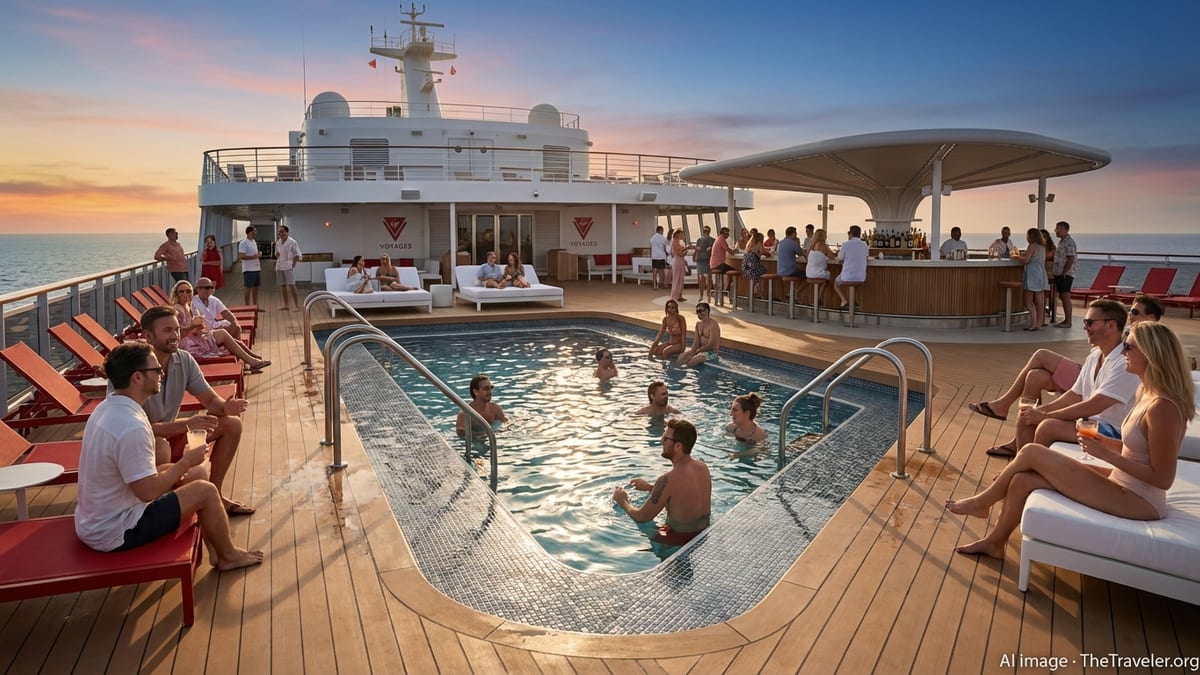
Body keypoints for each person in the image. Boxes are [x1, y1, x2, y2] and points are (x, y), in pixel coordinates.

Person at [946, 321, 1195, 560]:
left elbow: (1163, 478)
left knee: (1032, 452)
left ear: (1151, 354)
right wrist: (1105, 443)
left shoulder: (1163, 407)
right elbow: (1139, 450)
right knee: (1022, 480)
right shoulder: (1147, 393)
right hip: (1121, 483)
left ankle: (982, 502)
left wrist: (1107, 455)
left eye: (1129, 347)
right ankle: (995, 543)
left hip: (1140, 501)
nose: (1124, 352)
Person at [74, 342, 263, 570]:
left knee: (179, 474)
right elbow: (148, 492)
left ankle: (215, 547)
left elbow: (142, 481)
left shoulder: (108, 409)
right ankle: (228, 556)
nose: (162, 373)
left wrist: (180, 471)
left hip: (95, 521)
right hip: (118, 531)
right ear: (137, 378)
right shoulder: (131, 425)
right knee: (205, 490)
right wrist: (186, 462)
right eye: (156, 370)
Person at [972, 299, 1139, 458]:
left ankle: (1028, 470)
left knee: (1048, 427)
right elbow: (1075, 395)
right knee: (1028, 415)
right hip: (1090, 422)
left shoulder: (1124, 363)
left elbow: (1095, 405)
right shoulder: (1094, 357)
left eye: (1089, 322)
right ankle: (1021, 464)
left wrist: (1047, 416)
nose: (1085, 327)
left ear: (1111, 325)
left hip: (1113, 431)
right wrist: (1042, 411)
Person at [968, 295, 1164, 428]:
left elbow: (1098, 401)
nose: (1131, 315)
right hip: (1093, 370)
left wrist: (1046, 415)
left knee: (1042, 355)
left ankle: (1004, 406)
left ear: (1152, 317)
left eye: (1136, 312)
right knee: (1035, 377)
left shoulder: (1147, 343)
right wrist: (1040, 412)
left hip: (1104, 392)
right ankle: (1020, 445)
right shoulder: (1124, 337)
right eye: (1130, 311)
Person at [138, 306, 255, 515]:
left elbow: (210, 400)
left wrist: (225, 407)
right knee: (160, 447)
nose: (175, 336)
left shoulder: (183, 360)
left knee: (231, 424)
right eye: (167, 331)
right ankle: (163, 507)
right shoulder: (133, 370)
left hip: (172, 434)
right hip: (143, 445)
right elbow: (137, 430)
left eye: (176, 329)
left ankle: (215, 493)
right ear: (148, 336)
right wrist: (187, 424)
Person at [612, 418, 712, 546]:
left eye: (665, 439)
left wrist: (622, 500)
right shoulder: (702, 467)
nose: (661, 441)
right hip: (703, 536)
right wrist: (650, 488)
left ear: (678, 446)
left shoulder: (667, 479)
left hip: (676, 542)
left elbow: (642, 517)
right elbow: (683, 495)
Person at [171, 281, 269, 370]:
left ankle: (252, 359)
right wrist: (193, 327)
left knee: (229, 339)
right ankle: (252, 360)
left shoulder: (191, 307)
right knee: (224, 335)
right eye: (181, 291)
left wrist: (199, 328)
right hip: (187, 344)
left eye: (188, 291)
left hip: (197, 337)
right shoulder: (177, 310)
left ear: (192, 292)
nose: (185, 294)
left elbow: (201, 327)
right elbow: (177, 333)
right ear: (177, 294)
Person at [193, 276, 242, 340]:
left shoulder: (213, 299)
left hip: (214, 326)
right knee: (225, 334)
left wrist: (234, 323)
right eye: (207, 288)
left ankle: (233, 344)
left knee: (236, 327)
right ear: (198, 289)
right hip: (203, 331)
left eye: (211, 287)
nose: (210, 290)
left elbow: (226, 313)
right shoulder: (193, 302)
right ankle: (234, 344)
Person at [1019, 227, 1049, 331]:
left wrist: (1017, 257)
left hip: (1032, 275)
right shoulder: (1042, 247)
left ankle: (1033, 323)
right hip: (1041, 274)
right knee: (1040, 302)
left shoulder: (1032, 246)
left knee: (1028, 301)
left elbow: (1025, 261)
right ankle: (1039, 324)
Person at [834, 225, 868, 309]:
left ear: (850, 233)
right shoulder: (864, 245)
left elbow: (839, 258)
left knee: (836, 283)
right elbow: (866, 257)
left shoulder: (845, 244)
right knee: (855, 284)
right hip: (861, 277)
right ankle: (856, 302)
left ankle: (844, 301)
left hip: (847, 277)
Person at [677, 302, 720, 367]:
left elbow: (710, 345)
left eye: (701, 311)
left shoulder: (713, 325)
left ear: (707, 310)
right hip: (700, 351)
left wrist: (697, 351)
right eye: (698, 311)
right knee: (681, 357)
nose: (699, 313)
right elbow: (696, 342)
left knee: (694, 360)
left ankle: (688, 372)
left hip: (711, 352)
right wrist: (692, 352)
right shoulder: (698, 324)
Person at [1052, 221, 1078, 327]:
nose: (1056, 231)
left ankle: (1068, 321)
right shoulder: (1062, 242)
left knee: (1065, 296)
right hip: (1059, 273)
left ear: (1065, 230)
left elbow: (1071, 258)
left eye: (1058, 229)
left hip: (1065, 274)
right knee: (1062, 296)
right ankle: (1066, 320)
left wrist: (1064, 273)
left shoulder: (1069, 243)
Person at [274, 225, 302, 310]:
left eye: (282, 231)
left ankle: (297, 306)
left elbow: (297, 255)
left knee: (292, 285)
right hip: (279, 266)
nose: (281, 234)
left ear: (287, 232)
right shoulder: (278, 242)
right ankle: (286, 305)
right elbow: (276, 254)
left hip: (288, 266)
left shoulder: (292, 242)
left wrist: (293, 264)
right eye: (279, 232)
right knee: (283, 286)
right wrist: (276, 255)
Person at [238, 225, 262, 308]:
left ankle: (255, 306)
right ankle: (247, 306)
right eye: (254, 231)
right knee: (248, 288)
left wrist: (258, 255)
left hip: (256, 268)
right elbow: (241, 256)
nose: (255, 232)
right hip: (248, 269)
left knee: (256, 288)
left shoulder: (253, 241)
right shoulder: (243, 243)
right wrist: (255, 256)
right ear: (249, 232)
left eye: (255, 231)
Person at [741, 231, 767, 299]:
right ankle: (761, 293)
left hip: (745, 269)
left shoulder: (748, 244)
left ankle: (756, 291)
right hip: (753, 268)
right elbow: (764, 252)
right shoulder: (759, 243)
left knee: (759, 273)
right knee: (764, 271)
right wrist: (768, 253)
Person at [694, 226, 715, 303]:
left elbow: (697, 249)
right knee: (707, 279)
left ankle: (703, 296)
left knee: (702, 279)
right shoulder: (712, 240)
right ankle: (707, 296)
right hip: (706, 260)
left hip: (702, 260)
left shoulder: (700, 240)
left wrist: (698, 250)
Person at [669, 229, 691, 303]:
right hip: (677, 261)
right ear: (677, 234)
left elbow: (680, 252)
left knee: (681, 279)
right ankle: (674, 296)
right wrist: (685, 250)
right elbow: (679, 253)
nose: (683, 236)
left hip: (680, 261)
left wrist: (685, 249)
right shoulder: (675, 242)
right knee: (677, 279)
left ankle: (679, 295)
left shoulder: (678, 242)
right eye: (681, 234)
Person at [1041, 229, 1058, 322]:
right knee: (1041, 294)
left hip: (1050, 273)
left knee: (1052, 294)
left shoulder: (1052, 248)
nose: (1043, 238)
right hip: (1040, 273)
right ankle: (1042, 314)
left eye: (1045, 236)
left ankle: (1052, 314)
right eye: (1041, 236)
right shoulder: (1037, 247)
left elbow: (1049, 257)